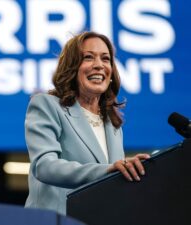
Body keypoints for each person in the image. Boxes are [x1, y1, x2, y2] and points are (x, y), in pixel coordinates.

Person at [24, 31, 150, 216]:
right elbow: (44, 166)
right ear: (72, 67)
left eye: (106, 59)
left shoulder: (112, 124)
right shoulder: (47, 105)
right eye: (88, 57)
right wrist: (108, 170)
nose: (99, 65)